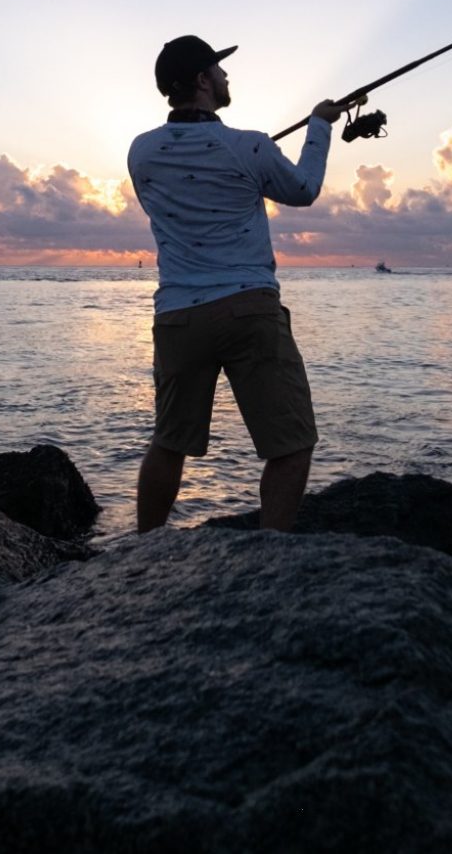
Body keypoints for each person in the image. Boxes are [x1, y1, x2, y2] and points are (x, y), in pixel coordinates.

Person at [127, 35, 340, 532]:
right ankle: (271, 555)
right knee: (291, 443)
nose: (226, 77)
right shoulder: (249, 146)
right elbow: (303, 190)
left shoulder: (140, 153)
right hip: (249, 309)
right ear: (203, 81)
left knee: (169, 440)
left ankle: (144, 549)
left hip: (178, 317)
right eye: (219, 70)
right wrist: (319, 125)